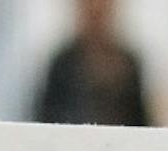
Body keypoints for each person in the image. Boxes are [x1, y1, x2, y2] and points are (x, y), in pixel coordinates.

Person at [35, 0, 153, 128]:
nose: (96, 10)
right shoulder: (62, 63)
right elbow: (47, 119)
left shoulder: (127, 63)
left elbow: (139, 122)